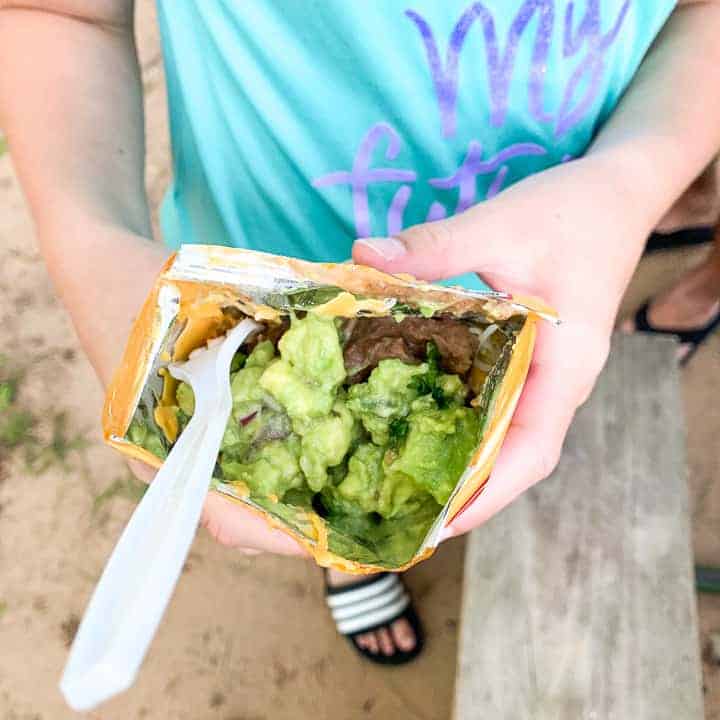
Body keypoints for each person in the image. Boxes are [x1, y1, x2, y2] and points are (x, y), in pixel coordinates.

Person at [2, 0, 720, 663]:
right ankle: (346, 561)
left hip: (550, 267)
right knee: (335, 517)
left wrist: (629, 181)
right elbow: (57, 14)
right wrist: (89, 243)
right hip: (250, 287)